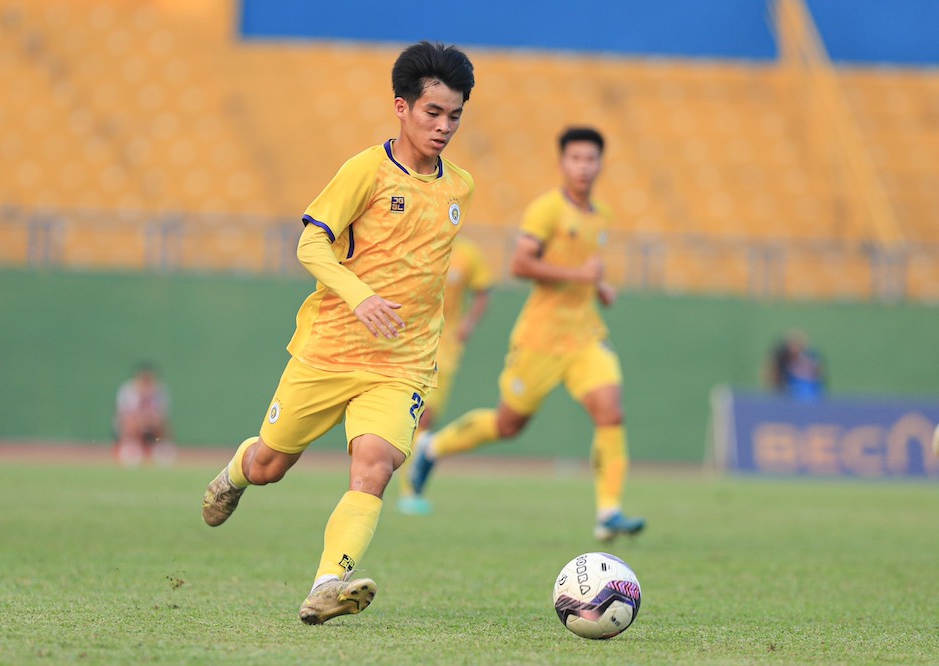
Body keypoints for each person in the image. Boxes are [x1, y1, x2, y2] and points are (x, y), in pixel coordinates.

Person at [200, 41, 475, 625]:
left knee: (374, 467)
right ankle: (233, 474)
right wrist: (361, 295)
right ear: (401, 107)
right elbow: (310, 243)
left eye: (454, 115)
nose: (444, 126)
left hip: (403, 363)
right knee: (270, 465)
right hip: (329, 349)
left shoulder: (460, 188)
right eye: (433, 112)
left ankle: (328, 584)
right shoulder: (365, 170)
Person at [408, 127, 646, 542]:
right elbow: (520, 265)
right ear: (561, 164)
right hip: (539, 339)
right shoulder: (546, 210)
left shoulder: (601, 216)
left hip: (586, 335)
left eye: (591, 159)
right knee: (508, 424)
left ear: (600, 165)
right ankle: (433, 448)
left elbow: (584, 266)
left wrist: (599, 287)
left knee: (611, 412)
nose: (584, 167)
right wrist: (580, 275)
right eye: (576, 158)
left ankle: (608, 512)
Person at [397, 234, 492, 514]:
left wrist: (468, 324)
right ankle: (404, 486)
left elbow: (483, 292)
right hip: (410, 340)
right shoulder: (415, 243)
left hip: (445, 347)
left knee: (425, 416)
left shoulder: (467, 253)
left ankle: (409, 488)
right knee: (412, 414)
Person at [114, 362, 175, 467]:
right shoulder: (128, 390)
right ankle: (131, 448)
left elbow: (163, 415)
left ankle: (161, 449)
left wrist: (149, 419)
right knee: (130, 422)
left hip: (151, 424)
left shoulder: (160, 391)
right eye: (144, 379)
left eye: (149, 379)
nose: (146, 383)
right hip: (133, 424)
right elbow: (122, 414)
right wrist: (140, 419)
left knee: (160, 423)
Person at [767, 329, 825, 401]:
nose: (794, 348)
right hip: (790, 397)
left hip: (810, 397)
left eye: (797, 345)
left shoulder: (811, 358)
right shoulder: (783, 361)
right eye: (792, 345)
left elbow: (819, 376)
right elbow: (773, 378)